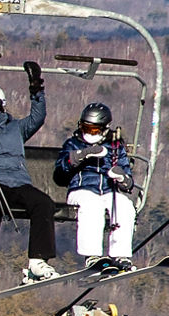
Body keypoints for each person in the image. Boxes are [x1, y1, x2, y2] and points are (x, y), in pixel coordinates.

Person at [0, 61, 64, 282]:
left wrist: (36, 88)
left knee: (43, 203)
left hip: (19, 182)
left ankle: (38, 260)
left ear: (2, 105)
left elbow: (37, 117)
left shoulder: (16, 128)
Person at [55, 102, 138, 275]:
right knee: (92, 205)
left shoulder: (115, 148)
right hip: (81, 190)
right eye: (85, 128)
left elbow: (129, 182)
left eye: (94, 130)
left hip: (109, 191)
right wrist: (80, 156)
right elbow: (60, 171)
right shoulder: (73, 144)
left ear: (105, 129)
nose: (88, 133)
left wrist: (122, 177)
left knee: (124, 206)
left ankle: (120, 254)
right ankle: (92, 255)